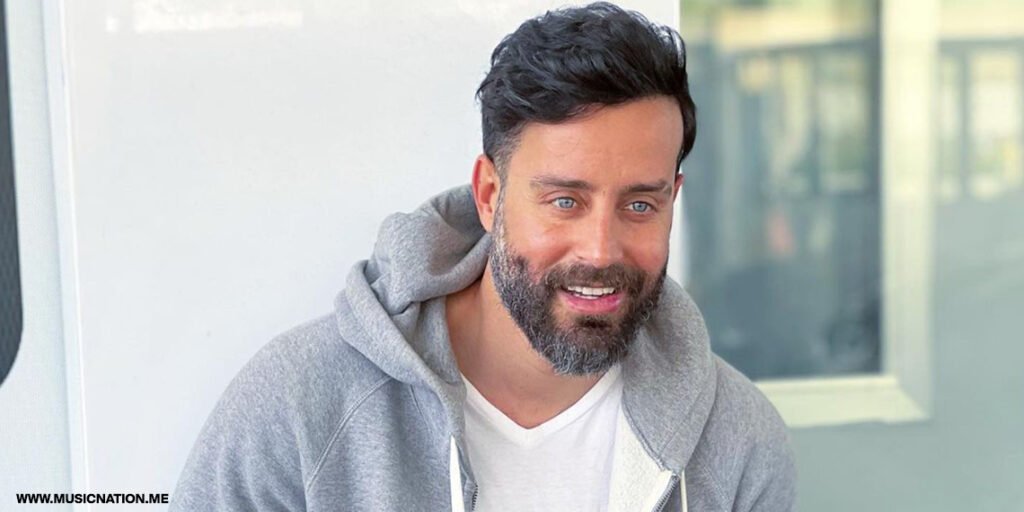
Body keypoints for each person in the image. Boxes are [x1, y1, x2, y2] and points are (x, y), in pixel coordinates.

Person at [169, 3, 796, 511]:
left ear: (672, 200)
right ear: (491, 195)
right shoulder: (298, 408)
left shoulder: (738, 441)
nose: (600, 250)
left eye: (639, 205)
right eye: (565, 201)